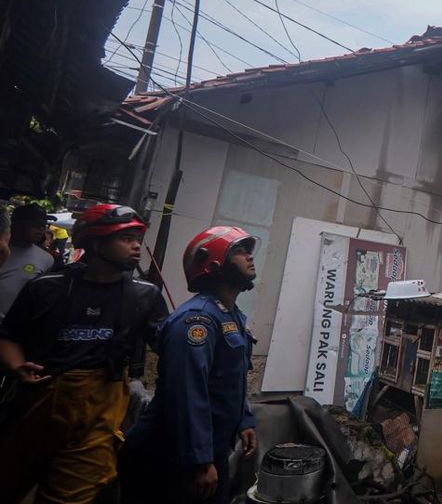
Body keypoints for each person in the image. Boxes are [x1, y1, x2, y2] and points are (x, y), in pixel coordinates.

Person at [0, 204, 168, 504]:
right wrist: (16, 366)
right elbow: (8, 336)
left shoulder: (145, 296)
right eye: (126, 238)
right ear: (95, 242)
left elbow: (169, 344)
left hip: (98, 416)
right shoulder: (46, 288)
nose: (136, 247)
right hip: (34, 405)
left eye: (138, 239)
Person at [122, 226, 259, 504]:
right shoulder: (197, 321)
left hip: (208, 450)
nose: (250, 257)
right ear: (214, 263)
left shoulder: (230, 316)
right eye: (240, 251)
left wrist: (243, 420)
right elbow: (186, 392)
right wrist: (198, 461)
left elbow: (232, 378)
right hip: (170, 456)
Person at [0, 205, 56, 320]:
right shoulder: (2, 248)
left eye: (43, 225)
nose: (41, 229)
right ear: (16, 224)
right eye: (35, 225)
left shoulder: (47, 259)